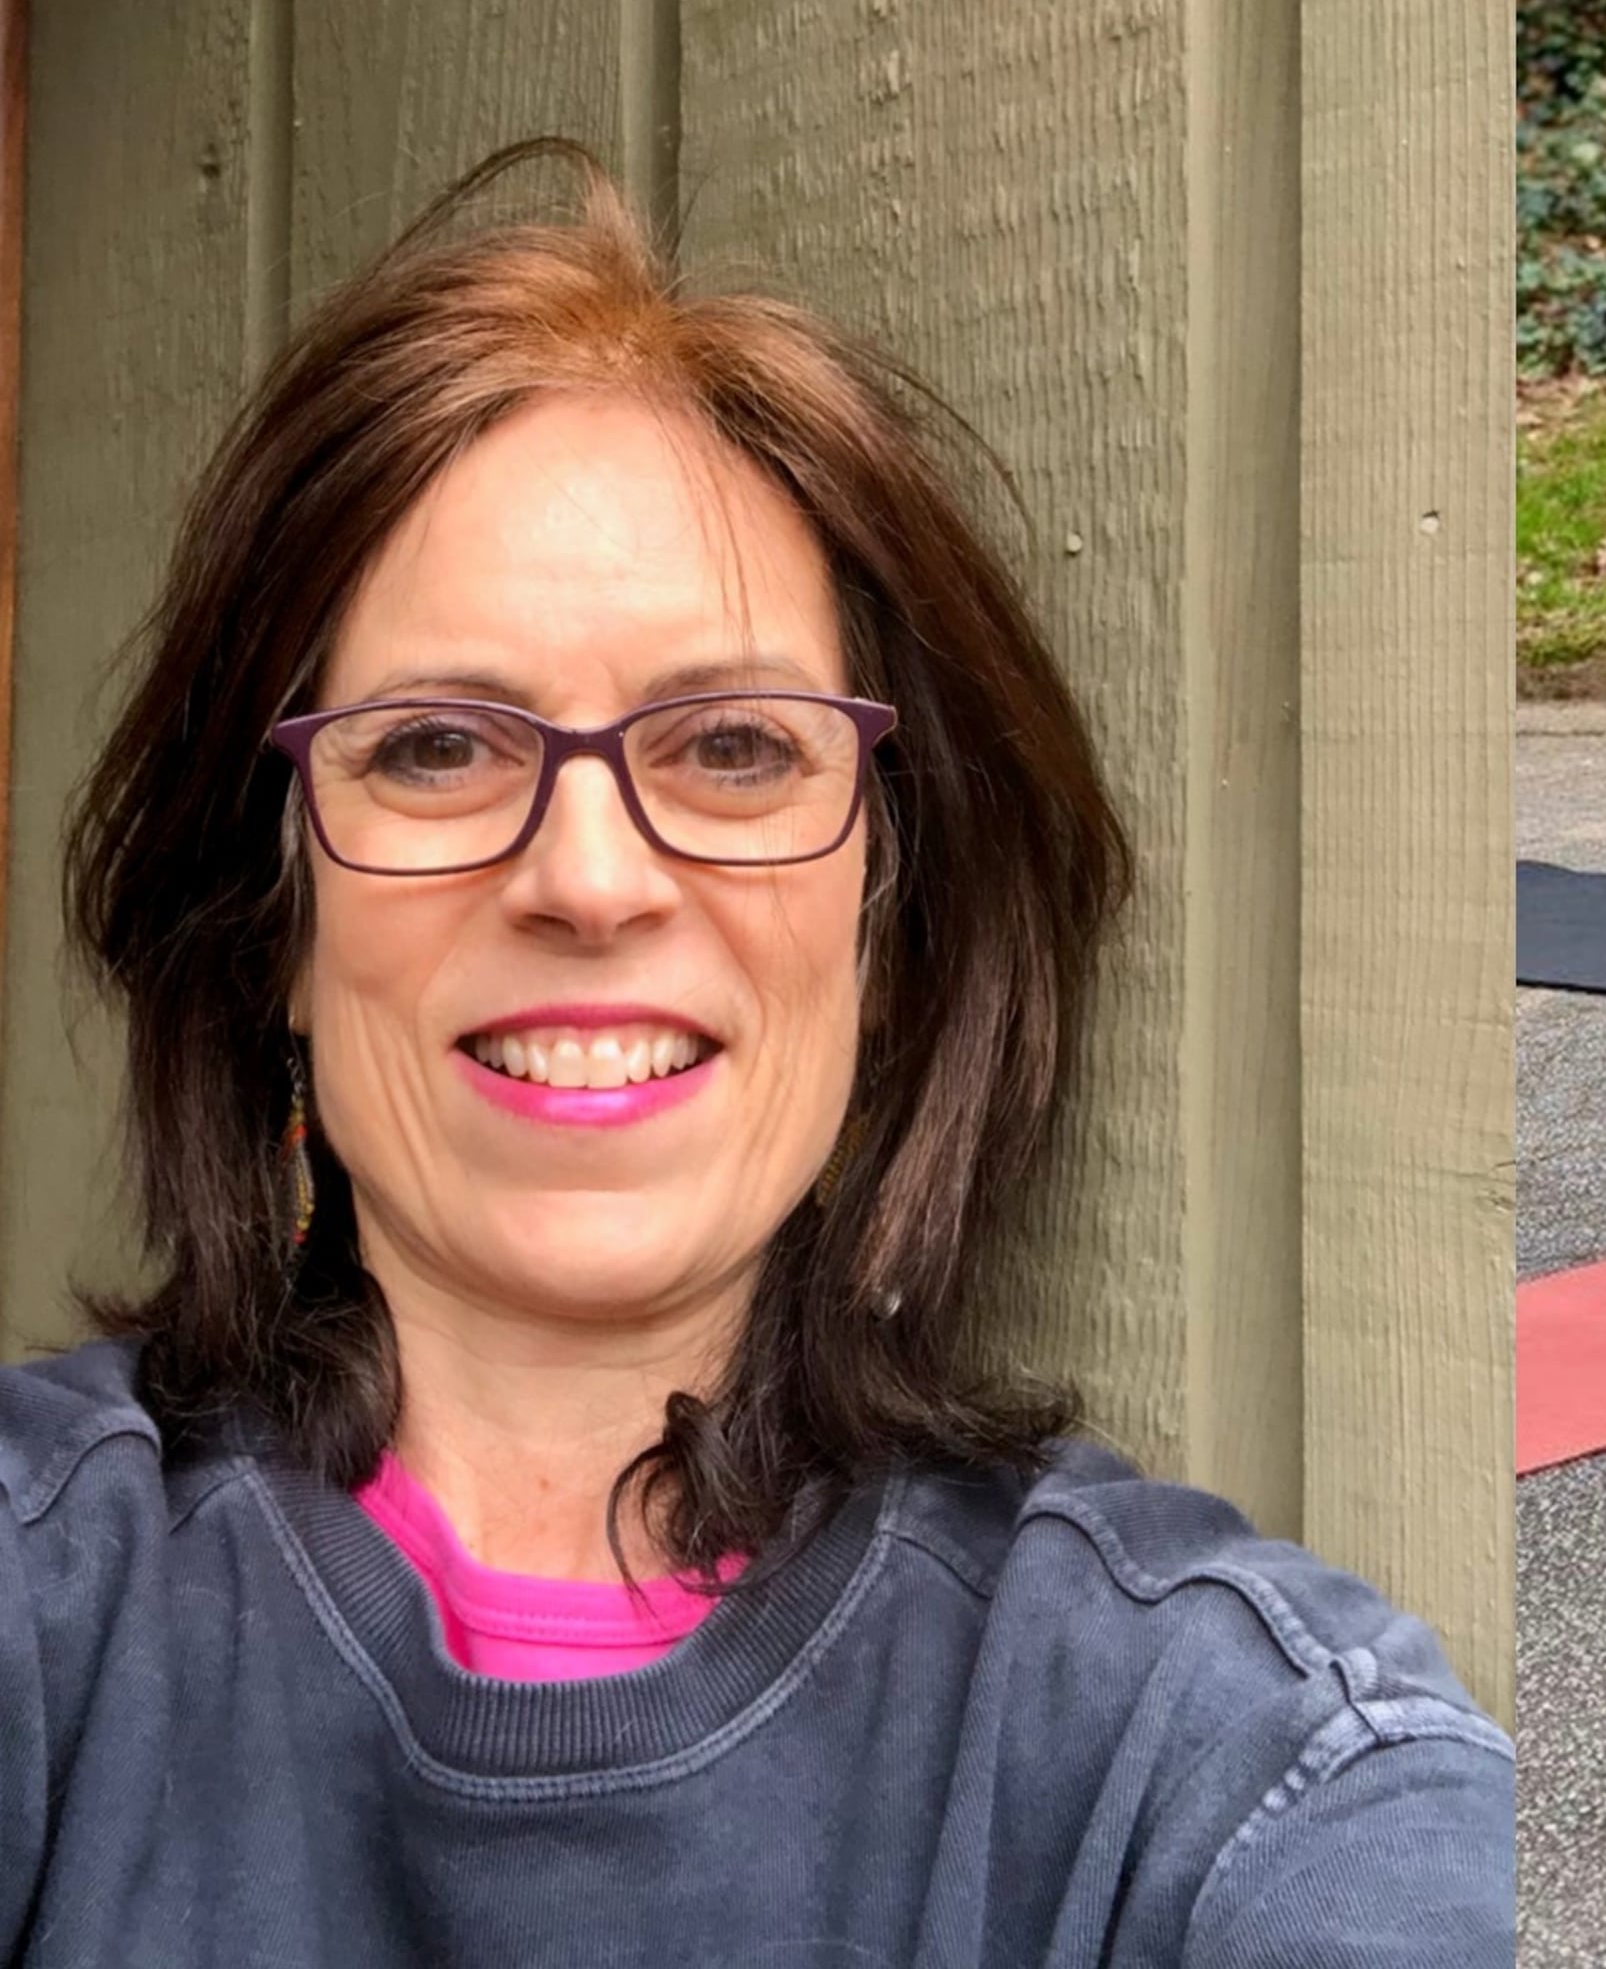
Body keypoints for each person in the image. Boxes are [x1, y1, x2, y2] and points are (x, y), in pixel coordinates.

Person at [8, 145, 1513, 1963]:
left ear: (893, 915)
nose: (587, 876)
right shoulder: (42, 1617)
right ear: (268, 919)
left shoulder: (1237, 1768)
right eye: (430, 748)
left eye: (732, 748)